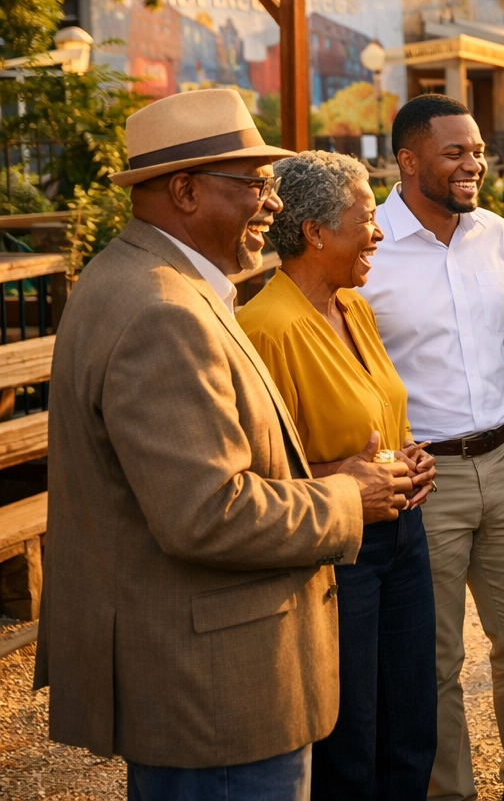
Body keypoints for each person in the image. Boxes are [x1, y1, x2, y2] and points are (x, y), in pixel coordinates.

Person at [36, 89, 412, 800]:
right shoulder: (162, 310)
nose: (272, 206)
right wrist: (348, 496)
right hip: (218, 694)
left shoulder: (149, 282)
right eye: (255, 185)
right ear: (183, 191)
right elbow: (206, 512)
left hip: (202, 680)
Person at [356, 94, 504, 801]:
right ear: (409, 161)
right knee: (432, 660)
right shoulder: (366, 243)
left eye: (477, 150)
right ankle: (450, 794)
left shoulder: (496, 233)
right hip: (422, 479)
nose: (474, 163)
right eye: (456, 152)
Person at [238, 151, 439, 800]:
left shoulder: (356, 310)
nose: (378, 233)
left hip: (403, 540)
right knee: (349, 740)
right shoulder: (266, 328)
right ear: (315, 233)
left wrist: (410, 461)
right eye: (368, 218)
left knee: (410, 723)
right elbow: (257, 477)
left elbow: (383, 423)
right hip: (333, 557)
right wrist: (348, 481)